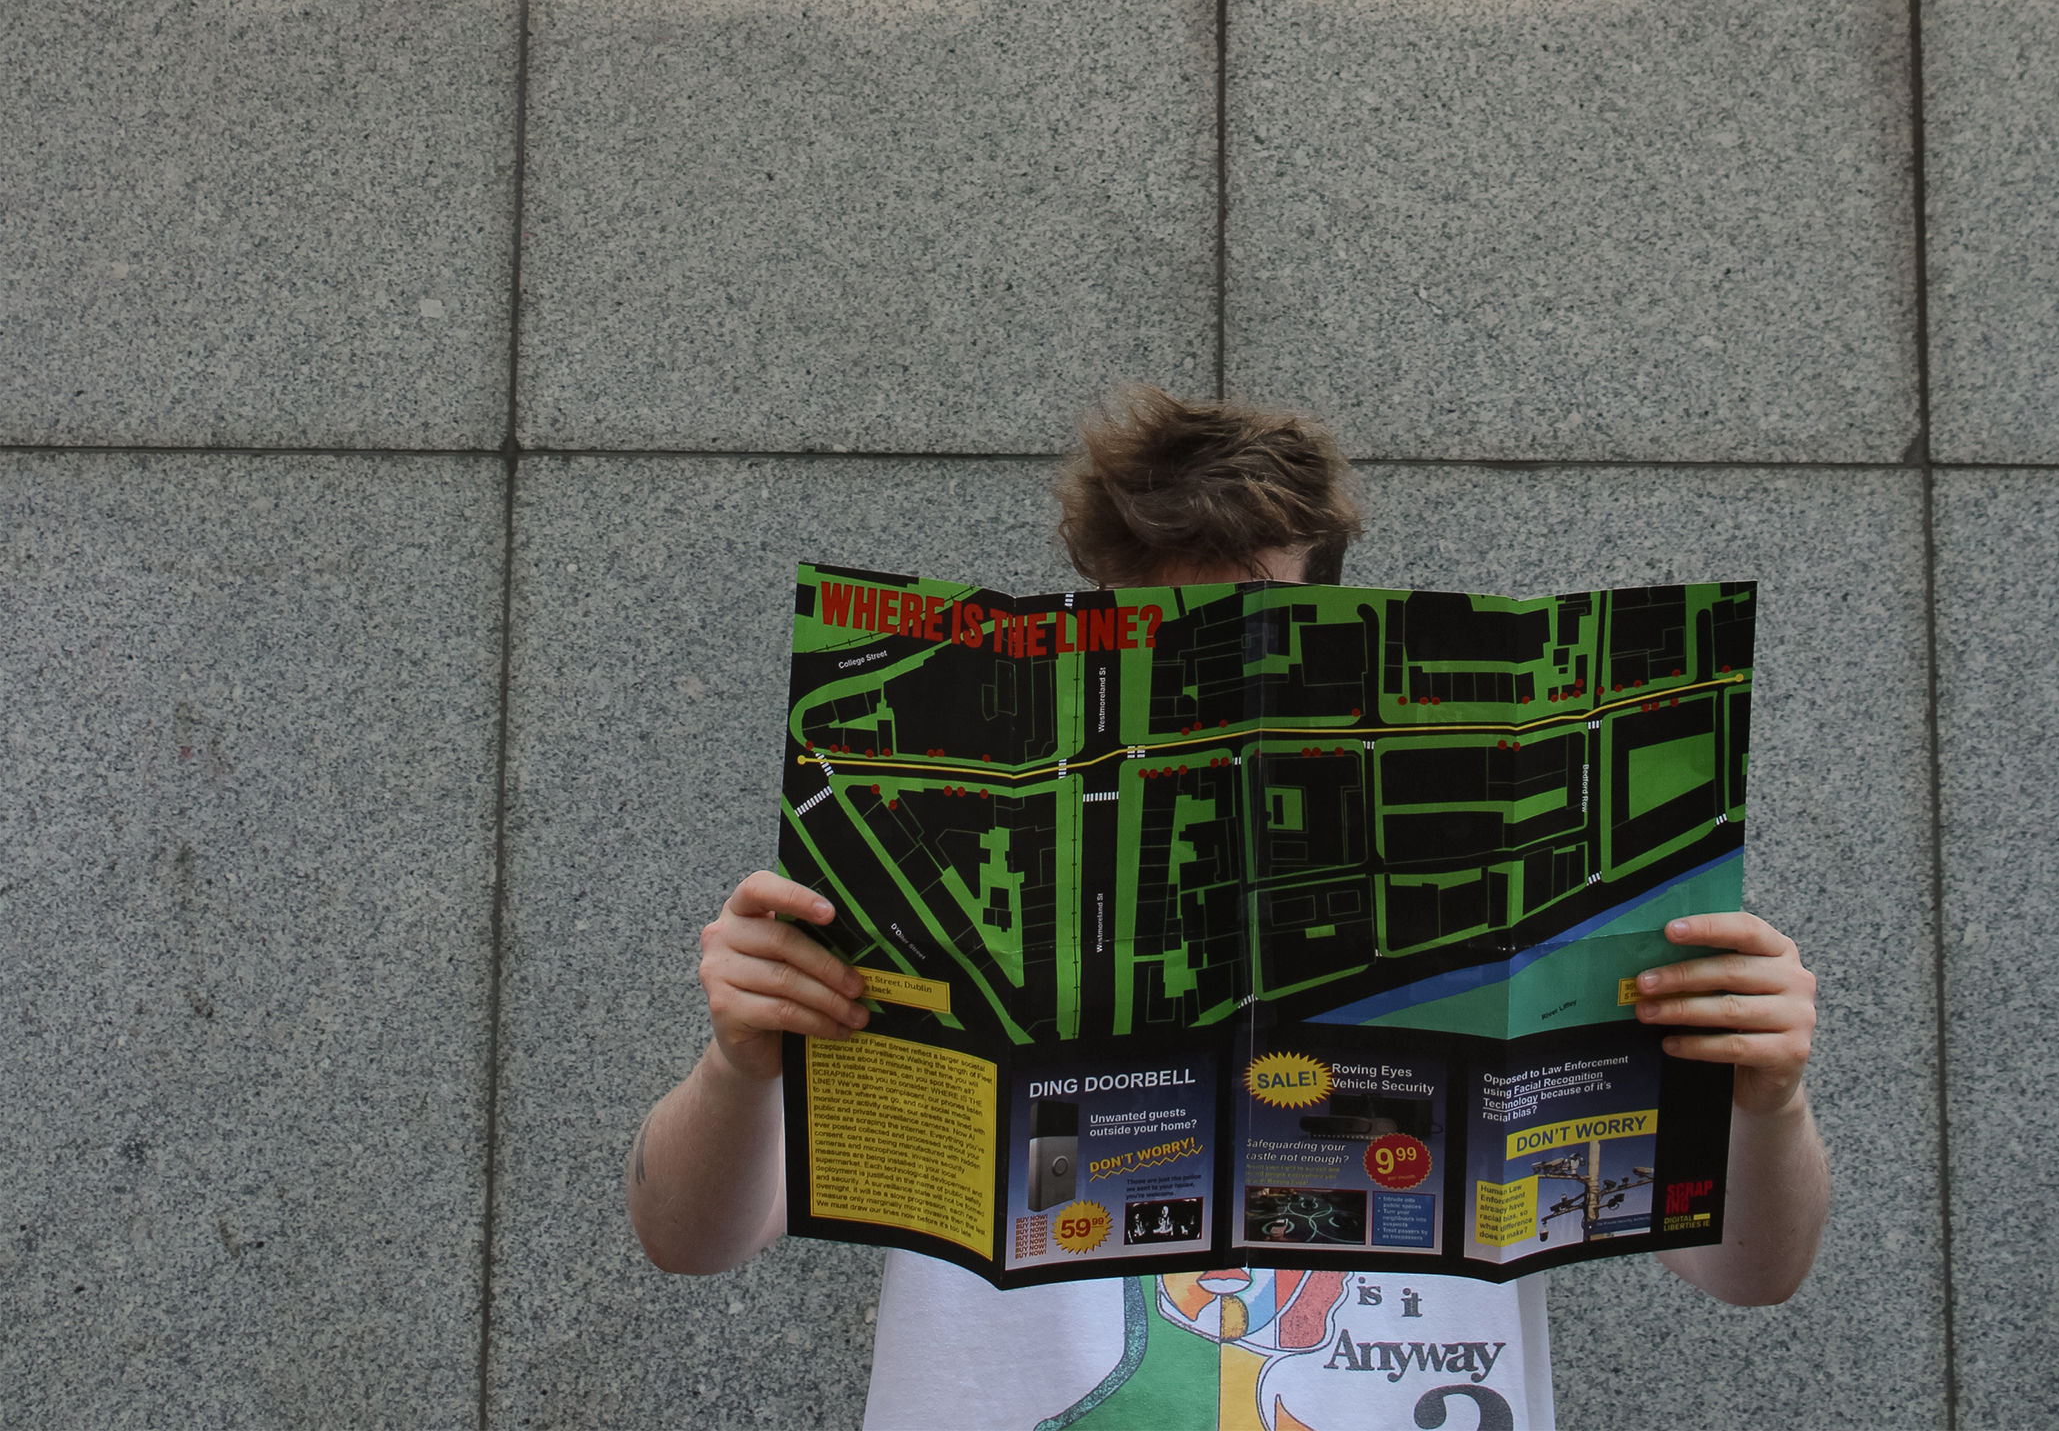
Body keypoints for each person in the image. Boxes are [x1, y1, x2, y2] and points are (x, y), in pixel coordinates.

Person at [628, 388, 1828, 1430]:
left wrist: (1765, 1099)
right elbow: (687, 1239)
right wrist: (741, 1065)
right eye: (1154, 643)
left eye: (1254, 636)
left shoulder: (1518, 885)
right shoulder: (912, 875)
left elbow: (1753, 1273)